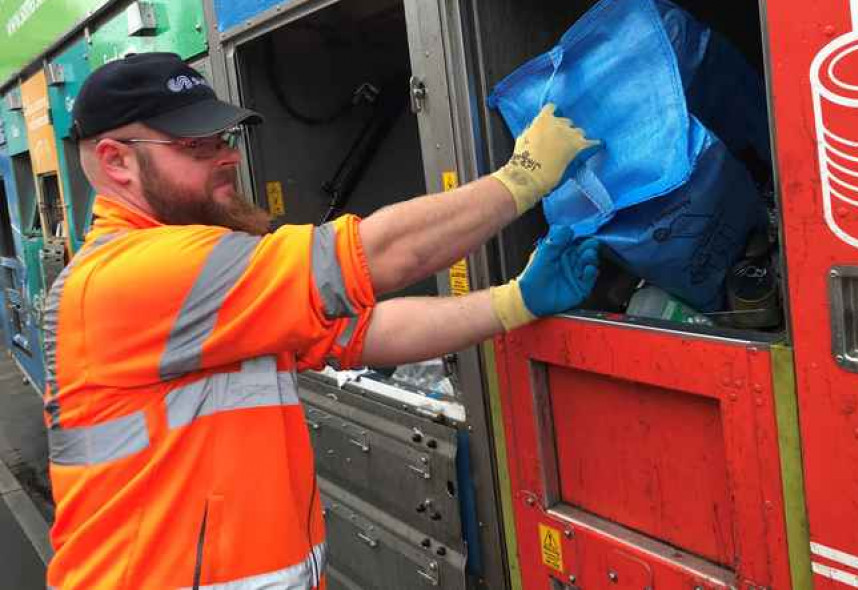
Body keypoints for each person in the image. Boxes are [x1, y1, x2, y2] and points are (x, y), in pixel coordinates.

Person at [43, 52, 600, 589]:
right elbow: (374, 257)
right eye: (195, 146)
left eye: (224, 139)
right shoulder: (130, 276)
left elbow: (362, 332)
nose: (228, 157)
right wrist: (522, 179)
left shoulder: (194, 292)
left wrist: (513, 302)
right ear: (116, 161)